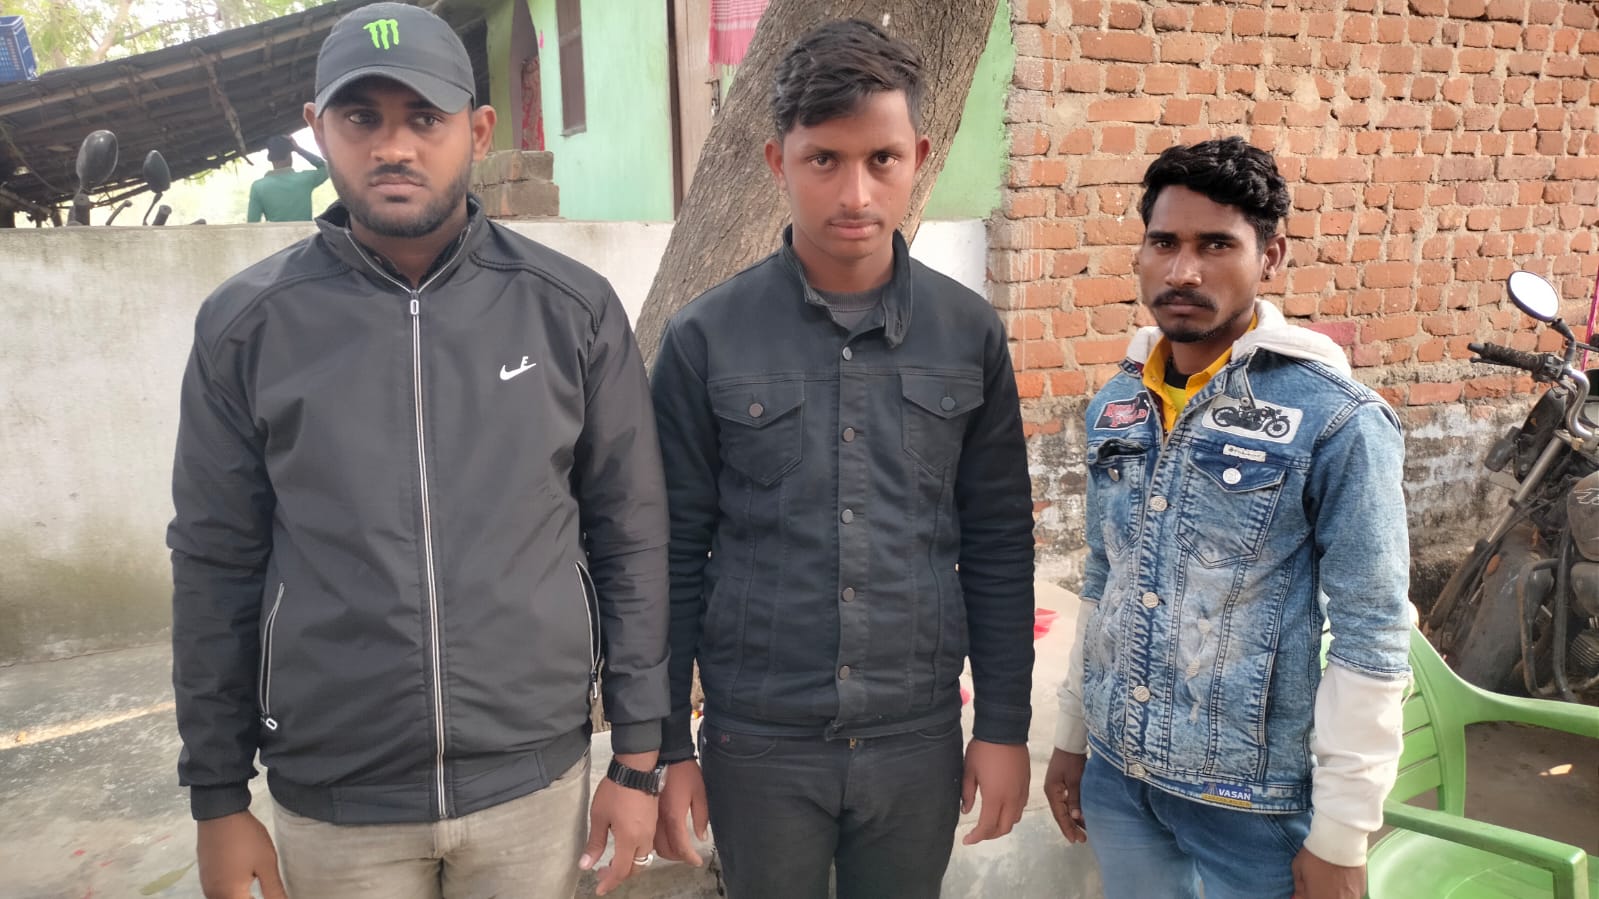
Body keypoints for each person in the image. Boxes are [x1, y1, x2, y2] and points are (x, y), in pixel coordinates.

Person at [169, 4, 669, 897]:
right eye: (362, 117)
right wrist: (217, 794)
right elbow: (214, 560)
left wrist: (636, 758)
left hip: (531, 782)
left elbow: (630, 533)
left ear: (476, 132)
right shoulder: (247, 327)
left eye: (424, 118)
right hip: (336, 799)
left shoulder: (571, 310)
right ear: (318, 129)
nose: (393, 146)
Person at [648, 19, 1037, 899]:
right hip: (759, 742)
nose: (854, 192)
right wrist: (668, 743)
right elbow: (668, 553)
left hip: (915, 740)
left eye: (881, 159)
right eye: (823, 159)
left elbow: (999, 542)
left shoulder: (967, 334)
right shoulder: (706, 338)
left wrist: (1002, 724)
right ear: (776, 161)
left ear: (918, 157)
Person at [1043, 137, 1412, 899]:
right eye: (1163, 243)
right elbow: (1106, 575)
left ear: (1269, 256)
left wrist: (1342, 833)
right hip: (1118, 775)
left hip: (1249, 801)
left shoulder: (1335, 420)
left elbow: (1372, 631)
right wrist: (1073, 736)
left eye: (1215, 245)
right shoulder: (1117, 403)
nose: (1182, 270)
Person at [245, 134, 328, 222]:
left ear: (270, 158)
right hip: (306, 231)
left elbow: (252, 222)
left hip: (277, 231)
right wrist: (298, 149)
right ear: (289, 156)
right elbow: (327, 168)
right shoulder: (305, 179)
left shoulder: (258, 187)